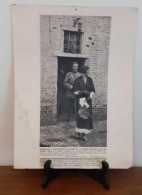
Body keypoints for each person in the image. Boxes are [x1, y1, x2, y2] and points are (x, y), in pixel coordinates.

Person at [72, 65, 95, 142]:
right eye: (88, 70)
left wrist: (90, 96)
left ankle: (84, 135)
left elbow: (93, 90)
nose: (89, 71)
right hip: (80, 101)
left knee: (86, 117)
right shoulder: (78, 80)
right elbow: (75, 91)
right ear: (84, 71)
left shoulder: (90, 79)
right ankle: (79, 134)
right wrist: (83, 92)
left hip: (88, 101)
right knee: (80, 116)